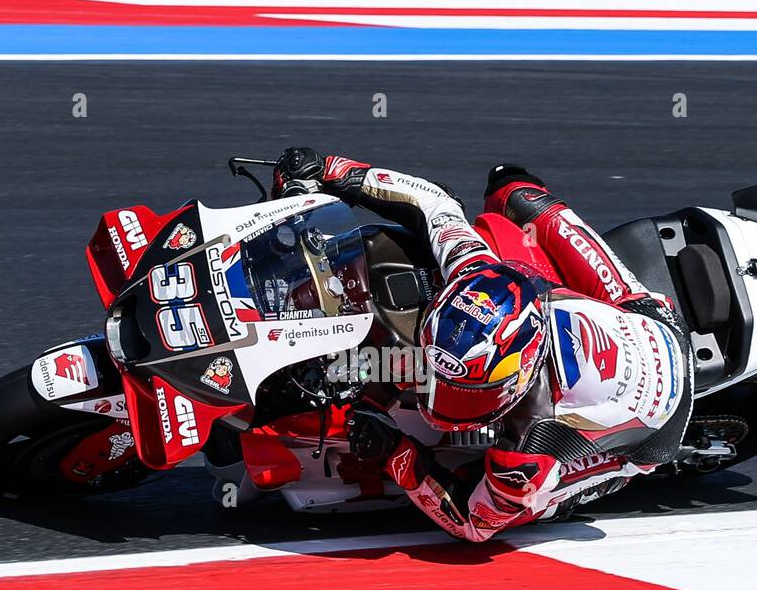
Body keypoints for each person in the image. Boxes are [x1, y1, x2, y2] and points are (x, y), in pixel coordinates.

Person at [271, 147, 693, 541]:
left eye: (466, 393)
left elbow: (472, 525)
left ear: (518, 378)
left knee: (535, 499)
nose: (442, 400)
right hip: (625, 315)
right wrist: (329, 171)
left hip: (657, 370)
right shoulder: (474, 271)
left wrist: (398, 453)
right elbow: (432, 202)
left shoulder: (533, 440)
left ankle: (617, 472)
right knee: (513, 189)